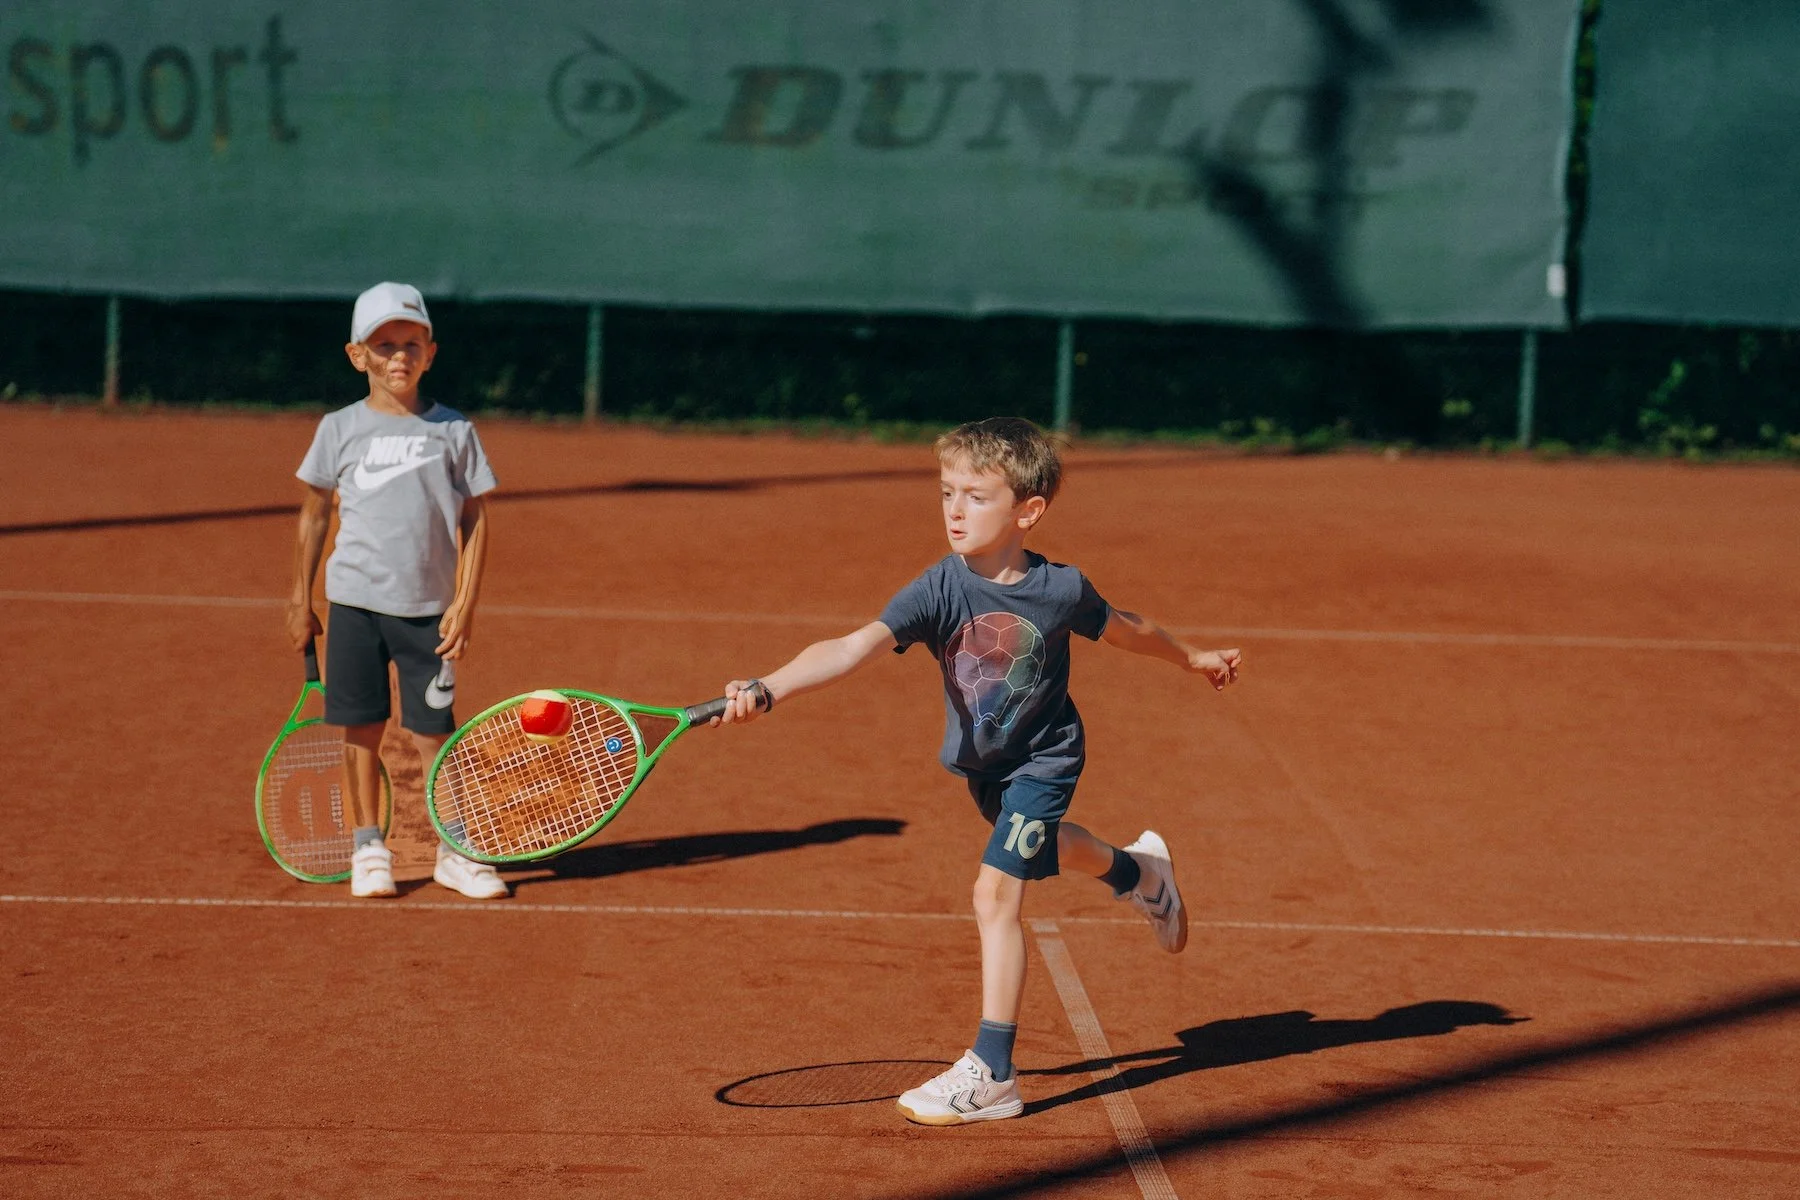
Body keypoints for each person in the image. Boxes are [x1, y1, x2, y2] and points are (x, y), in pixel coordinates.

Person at [714, 416, 1242, 1124]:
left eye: (976, 496)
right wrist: (771, 685)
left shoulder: (1059, 590)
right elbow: (849, 647)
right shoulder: (938, 588)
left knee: (995, 894)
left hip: (1043, 759)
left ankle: (993, 1073)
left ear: (1028, 511)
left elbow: (1127, 627)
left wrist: (1192, 657)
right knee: (1041, 849)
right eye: (946, 493)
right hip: (984, 767)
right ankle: (1140, 874)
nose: (955, 510)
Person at [285, 281, 509, 900]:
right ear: (358, 355)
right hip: (353, 603)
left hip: (428, 614)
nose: (399, 357)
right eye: (384, 346)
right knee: (361, 727)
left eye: (411, 343)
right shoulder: (339, 429)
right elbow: (313, 514)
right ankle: (368, 848)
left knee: (436, 735)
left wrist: (465, 601)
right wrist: (299, 600)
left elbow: (476, 518)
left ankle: (452, 850)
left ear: (430, 352)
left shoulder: (454, 430)